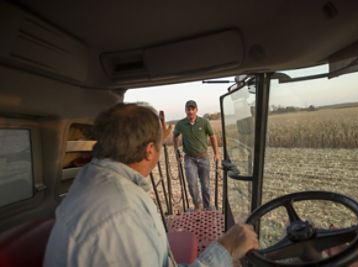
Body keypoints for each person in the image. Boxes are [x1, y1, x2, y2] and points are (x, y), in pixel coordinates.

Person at [44, 103, 258, 267]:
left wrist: (157, 137)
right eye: (157, 144)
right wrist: (226, 249)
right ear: (149, 151)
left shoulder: (91, 180)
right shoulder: (123, 215)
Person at [173, 100, 219, 212]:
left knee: (206, 185)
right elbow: (175, 136)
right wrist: (176, 151)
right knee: (192, 184)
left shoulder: (204, 122)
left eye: (192, 109)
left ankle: (207, 207)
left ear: (196, 110)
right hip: (189, 158)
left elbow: (213, 137)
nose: (190, 111)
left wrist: (216, 154)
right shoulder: (181, 124)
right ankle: (198, 206)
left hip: (204, 157)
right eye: (188, 109)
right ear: (185, 110)